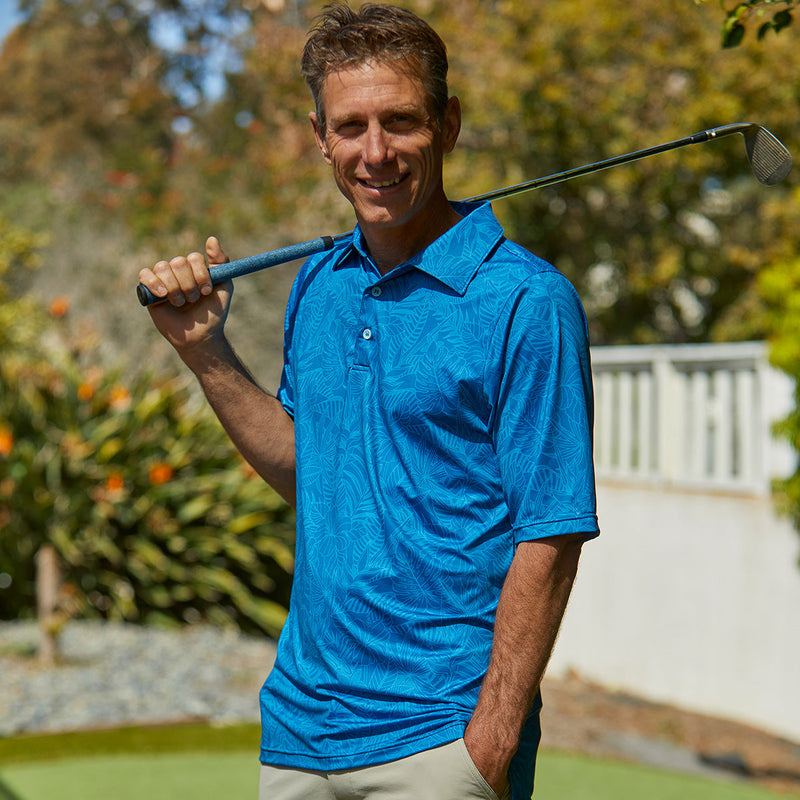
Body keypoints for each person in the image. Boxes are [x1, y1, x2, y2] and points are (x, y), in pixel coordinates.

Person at [137, 4, 599, 799]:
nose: (375, 152)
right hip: (299, 733)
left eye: (401, 122)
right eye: (350, 127)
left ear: (448, 125)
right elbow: (309, 472)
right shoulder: (320, 285)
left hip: (440, 737)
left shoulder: (526, 301)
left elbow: (551, 532)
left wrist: (487, 741)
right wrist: (202, 349)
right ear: (320, 135)